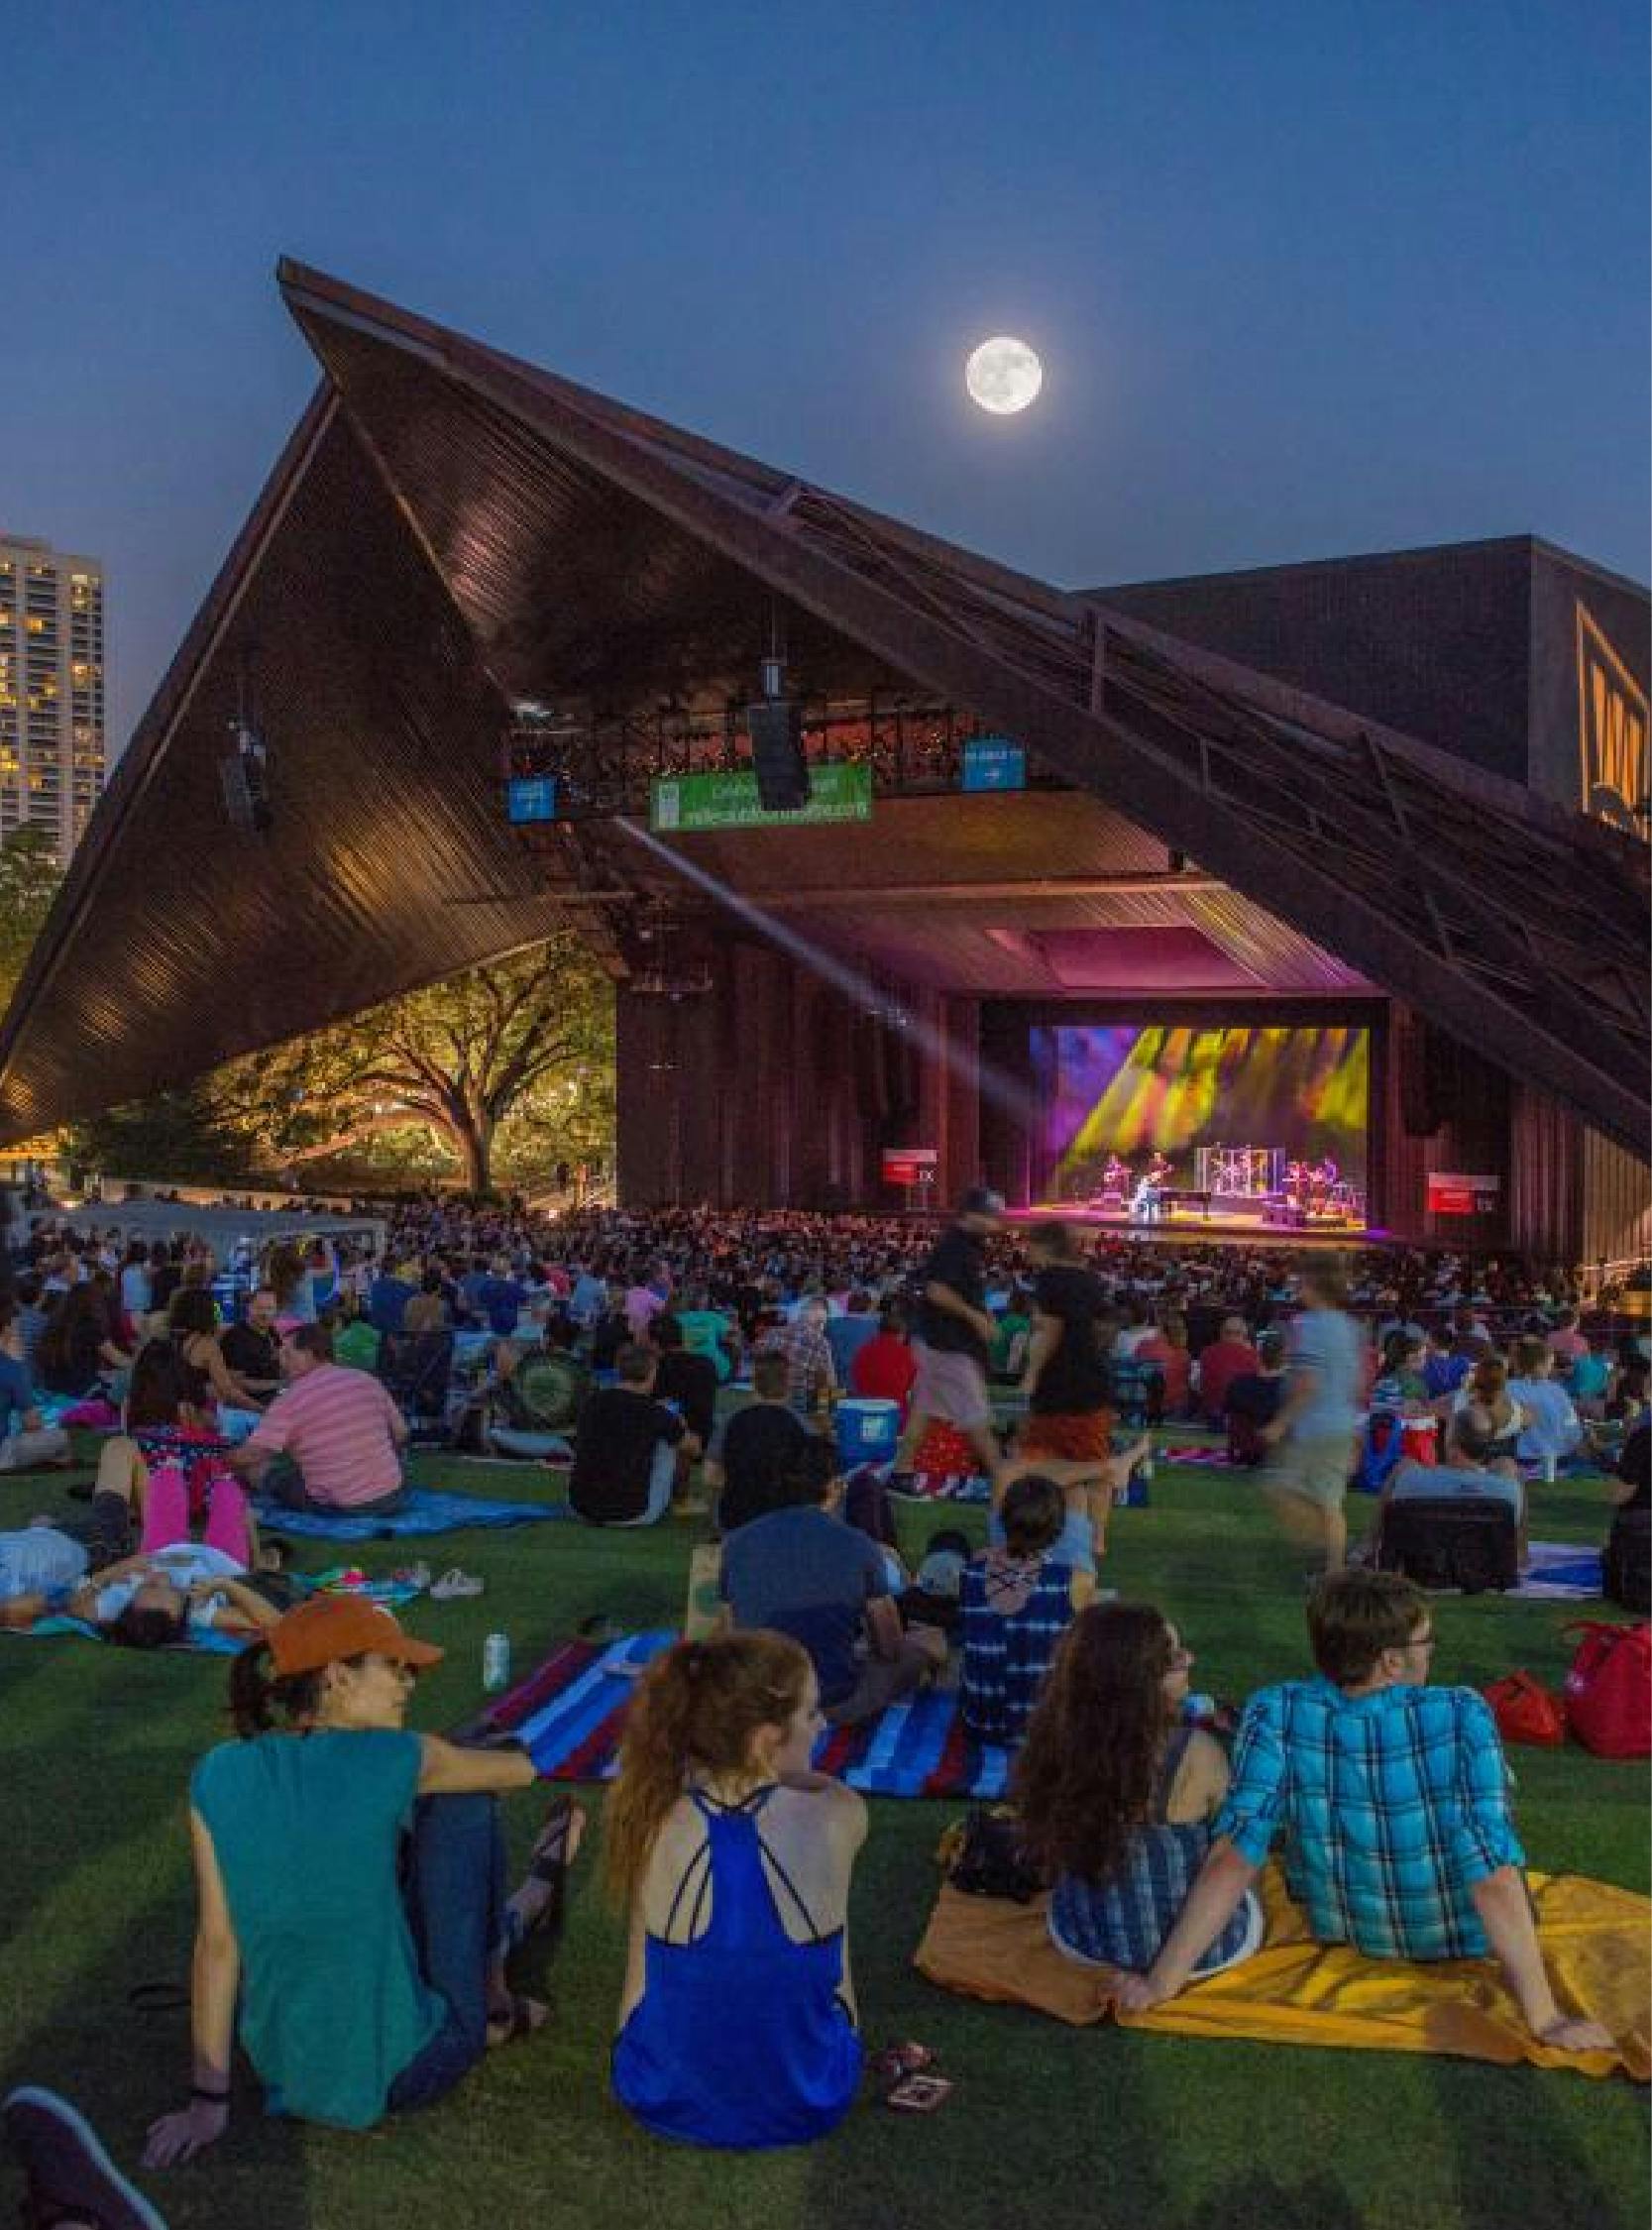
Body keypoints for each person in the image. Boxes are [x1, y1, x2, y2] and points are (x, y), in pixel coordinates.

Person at [142, 1597, 585, 2163]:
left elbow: (217, 1945)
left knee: (431, 1798)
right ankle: (494, 1989)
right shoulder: (399, 1756)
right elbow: (529, 1768)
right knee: (464, 1800)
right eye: (393, 1667)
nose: (409, 1684)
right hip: (406, 2069)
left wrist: (208, 2102)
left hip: (282, 2066)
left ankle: (530, 1900)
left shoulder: (219, 1770)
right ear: (336, 1677)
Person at [1112, 1570, 1614, 2054]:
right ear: (1391, 1662)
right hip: (1459, 1936)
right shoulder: (1461, 1712)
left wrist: (1161, 1982)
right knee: (1491, 1823)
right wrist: (1544, 2017)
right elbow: (1490, 1871)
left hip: (1346, 1928)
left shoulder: (1276, 1710)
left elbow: (1235, 1856)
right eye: (1426, 1641)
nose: (1432, 1650)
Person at [606, 1631, 865, 2148]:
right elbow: (840, 1982)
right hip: (808, 2100)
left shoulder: (651, 1815)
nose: (821, 1726)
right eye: (810, 1713)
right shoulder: (841, 1815)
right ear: (766, 1738)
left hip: (661, 2095)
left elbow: (638, 1986)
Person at [1017, 1603, 1264, 1978]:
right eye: (1176, 1657)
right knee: (1243, 1862)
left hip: (1085, 1943)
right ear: (1143, 1678)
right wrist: (1161, 1982)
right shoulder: (1196, 1753)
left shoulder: (1056, 1740)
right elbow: (1232, 1863)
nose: (1190, 1659)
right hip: (1201, 1956)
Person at [720, 1438, 945, 1725]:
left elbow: (729, 1634)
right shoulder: (859, 1546)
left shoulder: (738, 1542)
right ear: (834, 1486)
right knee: (933, 1642)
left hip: (759, 1698)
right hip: (833, 1698)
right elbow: (889, 1648)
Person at [959, 1475, 1088, 1747]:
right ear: (1058, 1529)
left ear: (1004, 1520)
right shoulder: (1076, 1580)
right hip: (1045, 1727)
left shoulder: (971, 1571)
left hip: (981, 1721)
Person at [889, 1187, 1005, 1485]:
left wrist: (982, 1315)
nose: (998, 1221)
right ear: (972, 1215)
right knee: (977, 1417)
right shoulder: (955, 1247)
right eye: (992, 1215)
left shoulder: (969, 1245)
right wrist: (975, 1316)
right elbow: (936, 1291)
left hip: (937, 1342)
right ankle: (1004, 1483)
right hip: (947, 1346)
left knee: (923, 1411)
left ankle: (901, 1473)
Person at [230, 1324, 409, 1516]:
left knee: (258, 1470)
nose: (280, 1360)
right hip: (392, 1494)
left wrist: (225, 1457)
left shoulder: (291, 1400)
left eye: (287, 1353)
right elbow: (401, 1433)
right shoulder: (365, 1379)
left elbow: (250, 1456)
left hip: (342, 1503)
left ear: (308, 1354)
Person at [1262, 1260, 1362, 1573]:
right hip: (1340, 1423)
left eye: (1301, 1282)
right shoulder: (1348, 1326)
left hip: (1318, 1426)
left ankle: (1328, 1557)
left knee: (1281, 1489)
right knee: (1328, 1501)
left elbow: (1307, 1382)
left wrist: (1280, 1423)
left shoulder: (1311, 1325)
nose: (1297, 1288)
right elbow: (1358, 1382)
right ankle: (1332, 1565)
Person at [1018, 1221, 1114, 1468]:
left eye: (1028, 1244)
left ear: (1044, 1246)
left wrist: (1031, 1375)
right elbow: (1105, 1328)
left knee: (1036, 1461)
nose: (1025, 1250)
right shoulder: (1091, 1280)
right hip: (1090, 1382)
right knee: (1087, 1463)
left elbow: (1049, 1332)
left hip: (1058, 1383)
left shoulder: (1050, 1279)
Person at [567, 1342, 694, 1527]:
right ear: (652, 1373)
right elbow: (691, 1447)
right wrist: (679, 1424)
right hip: (633, 1513)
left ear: (618, 1369)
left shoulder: (592, 1402)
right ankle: (681, 1498)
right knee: (671, 1440)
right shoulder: (654, 1412)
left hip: (580, 1508)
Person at [704, 1350, 814, 1535]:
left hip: (734, 1522)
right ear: (789, 1385)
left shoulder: (731, 1421)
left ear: (753, 1384)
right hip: (785, 1524)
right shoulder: (803, 1426)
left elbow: (710, 1476)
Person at [0, 1298, 71, 1470]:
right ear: (7, 1329)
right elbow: (32, 1424)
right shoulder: (12, 1368)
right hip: (3, 1452)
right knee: (62, 1439)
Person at [38, 1282, 132, 1398]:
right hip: (80, 1391)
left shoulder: (54, 1324)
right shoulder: (90, 1327)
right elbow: (118, 1359)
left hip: (52, 1388)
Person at [1506, 1337, 1584, 1475]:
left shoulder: (1510, 1387)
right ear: (1538, 1365)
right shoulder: (1556, 1390)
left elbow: (1571, 1425)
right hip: (1548, 1456)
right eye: (1550, 1364)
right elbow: (1572, 1426)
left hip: (1535, 1456)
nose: (1551, 1368)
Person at [650, 1311, 720, 1452]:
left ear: (655, 1344)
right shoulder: (706, 1364)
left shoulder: (660, 1368)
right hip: (703, 1437)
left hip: (677, 1438)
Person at [761, 1293, 838, 1417]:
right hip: (796, 1403)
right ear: (823, 1321)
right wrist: (830, 1409)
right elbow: (829, 1382)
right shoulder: (820, 1342)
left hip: (766, 1397)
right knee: (832, 1394)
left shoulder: (773, 1332)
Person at [847, 1304, 918, 1419]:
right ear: (902, 1333)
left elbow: (854, 1375)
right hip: (895, 1413)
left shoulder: (864, 1350)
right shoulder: (907, 1353)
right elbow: (912, 1385)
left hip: (864, 1409)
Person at [218, 1285, 284, 1397]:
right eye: (259, 1308)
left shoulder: (271, 1332)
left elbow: (280, 1363)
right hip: (249, 1405)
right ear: (249, 1307)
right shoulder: (235, 1337)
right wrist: (277, 1384)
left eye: (269, 1308)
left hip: (275, 1397)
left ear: (276, 1309)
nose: (265, 1313)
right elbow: (234, 1382)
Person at [1194, 1315, 1258, 1430]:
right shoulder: (1254, 1356)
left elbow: (1197, 1385)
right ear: (1244, 1335)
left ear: (1221, 1333)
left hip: (1212, 1415)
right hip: (1241, 1418)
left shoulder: (1206, 1353)